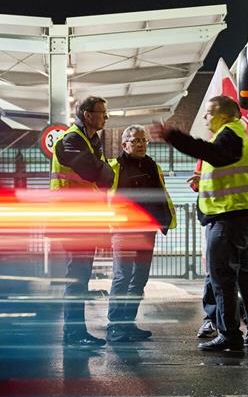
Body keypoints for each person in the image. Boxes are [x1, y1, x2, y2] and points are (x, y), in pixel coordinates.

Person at [153, 96, 248, 351]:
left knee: (222, 278)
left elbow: (212, 154)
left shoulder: (229, 134)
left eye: (208, 113)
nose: (206, 118)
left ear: (224, 115)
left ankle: (229, 334)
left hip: (228, 217)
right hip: (245, 215)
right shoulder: (245, 136)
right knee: (247, 277)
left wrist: (174, 136)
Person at [50, 96, 116, 348]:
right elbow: (95, 172)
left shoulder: (91, 141)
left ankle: (76, 332)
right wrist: (102, 169)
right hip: (73, 220)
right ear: (87, 115)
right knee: (76, 278)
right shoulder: (71, 140)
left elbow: (105, 176)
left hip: (85, 219)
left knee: (80, 278)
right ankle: (73, 333)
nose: (105, 117)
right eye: (102, 112)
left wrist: (102, 170)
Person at [106, 124, 176, 343]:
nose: (141, 144)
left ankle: (127, 323)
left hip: (147, 232)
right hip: (124, 231)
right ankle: (115, 326)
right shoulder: (115, 167)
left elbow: (160, 195)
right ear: (124, 144)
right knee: (123, 276)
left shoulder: (152, 166)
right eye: (135, 140)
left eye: (144, 140)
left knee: (139, 279)